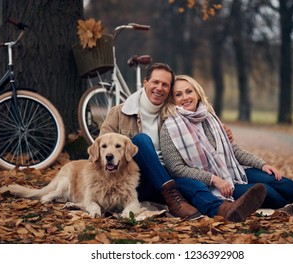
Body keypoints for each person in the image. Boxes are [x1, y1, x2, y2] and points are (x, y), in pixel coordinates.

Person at [160, 75, 293, 217]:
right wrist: (214, 180)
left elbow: (232, 150)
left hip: (233, 172)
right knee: (265, 190)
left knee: (277, 180)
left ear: (197, 92)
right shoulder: (170, 127)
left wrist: (262, 164)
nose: (185, 97)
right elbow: (176, 169)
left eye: (189, 91)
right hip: (209, 184)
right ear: (173, 99)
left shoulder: (209, 117)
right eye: (178, 94)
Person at [100, 63, 267, 221]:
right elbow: (103, 150)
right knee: (141, 141)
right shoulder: (119, 113)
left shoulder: (174, 114)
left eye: (165, 85)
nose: (159, 88)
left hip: (169, 180)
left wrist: (223, 132)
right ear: (145, 82)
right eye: (155, 82)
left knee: (194, 185)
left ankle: (223, 210)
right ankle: (175, 201)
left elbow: (199, 129)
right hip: (135, 180)